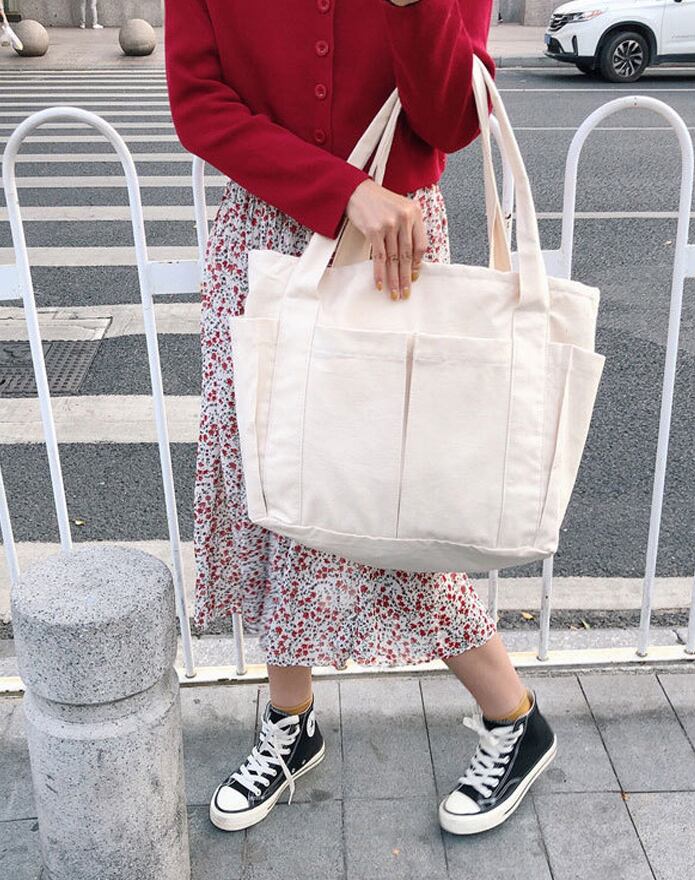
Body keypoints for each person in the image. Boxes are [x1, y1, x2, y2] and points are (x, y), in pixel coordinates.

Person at [164, 0, 557, 838]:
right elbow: (198, 102)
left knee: (388, 500)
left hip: (393, 251)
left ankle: (514, 716)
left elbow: (452, 119)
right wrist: (342, 191)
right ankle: (291, 718)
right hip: (264, 242)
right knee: (273, 493)